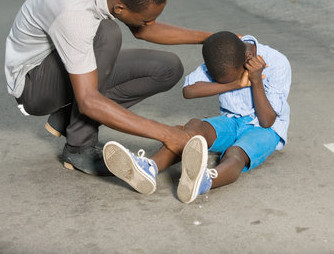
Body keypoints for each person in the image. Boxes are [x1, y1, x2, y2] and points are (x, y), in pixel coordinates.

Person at [5, 0, 212, 175]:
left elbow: (143, 31)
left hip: (68, 59)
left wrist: (210, 38)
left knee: (167, 68)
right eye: (147, 20)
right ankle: (79, 147)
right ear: (120, 8)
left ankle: (68, 116)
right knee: (107, 32)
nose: (150, 24)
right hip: (33, 85)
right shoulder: (74, 13)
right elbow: (88, 101)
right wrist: (168, 134)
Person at [103, 31, 291, 203]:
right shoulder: (222, 56)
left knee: (235, 153)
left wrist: (256, 80)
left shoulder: (276, 63)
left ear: (247, 58)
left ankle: (203, 180)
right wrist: (235, 84)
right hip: (232, 121)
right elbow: (189, 90)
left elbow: (267, 120)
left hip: (265, 129)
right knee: (193, 128)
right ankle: (149, 168)